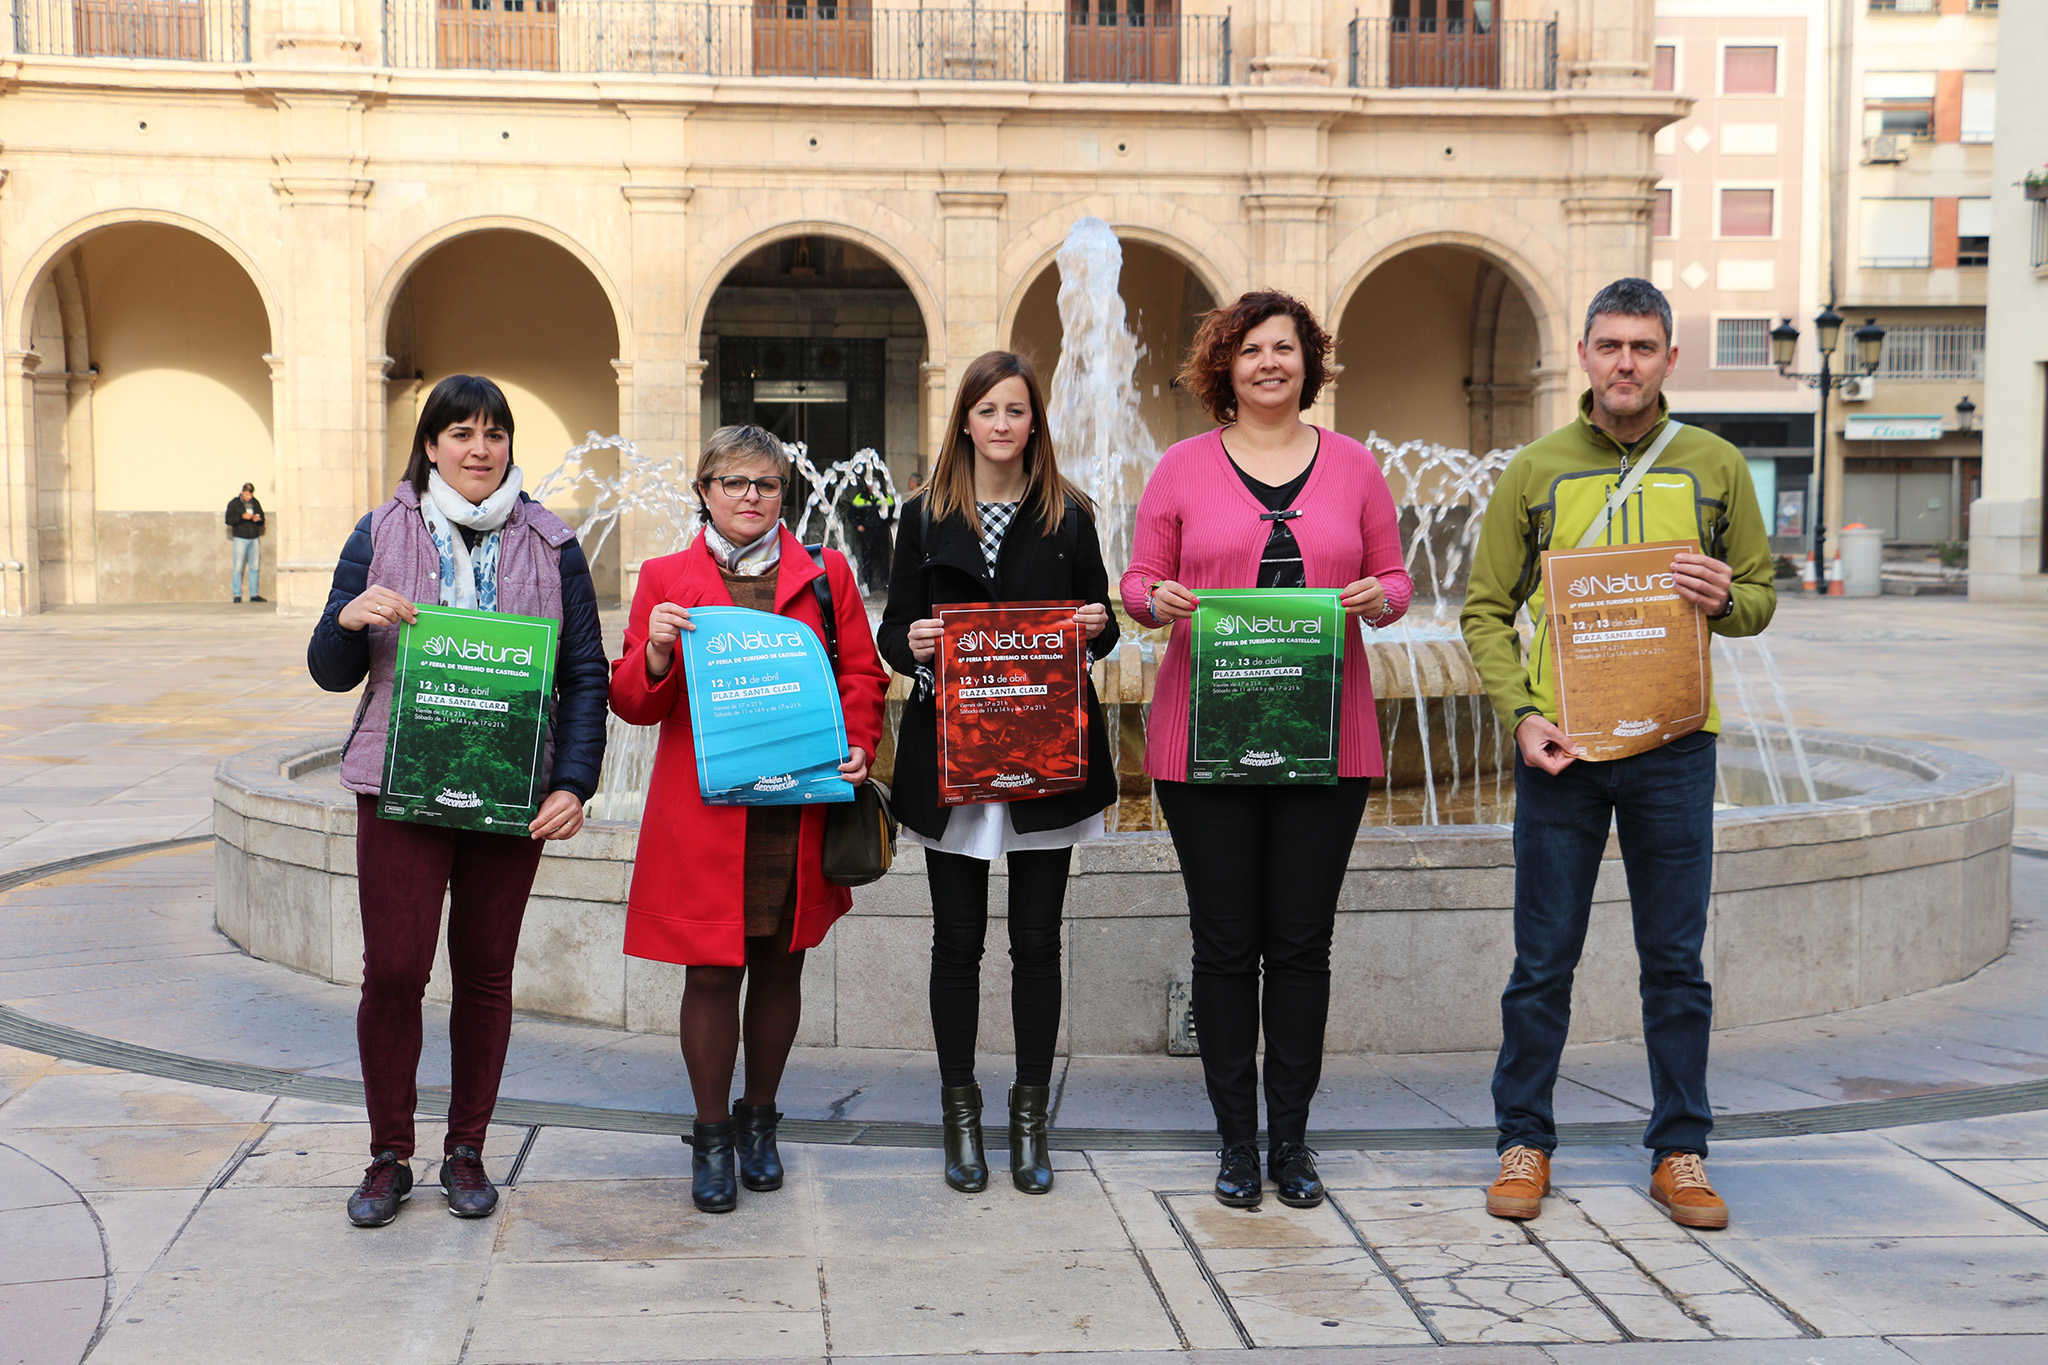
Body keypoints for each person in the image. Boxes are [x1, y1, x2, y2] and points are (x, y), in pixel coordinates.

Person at [1460, 277, 1776, 1231]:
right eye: (1609, 346)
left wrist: (1726, 596)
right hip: (1563, 750)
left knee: (1675, 961)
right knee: (1540, 961)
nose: (1625, 363)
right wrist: (1521, 715)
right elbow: (1484, 609)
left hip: (1676, 748)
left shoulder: (1716, 465)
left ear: (1669, 358)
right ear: (1587, 355)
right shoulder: (1536, 467)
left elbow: (1760, 598)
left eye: (1643, 347)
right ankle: (1524, 1139)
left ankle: (1681, 1149)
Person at [1121, 291, 1412, 1210]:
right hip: (1205, 739)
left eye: (1285, 348)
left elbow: (1399, 578)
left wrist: (1380, 598)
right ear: (1225, 367)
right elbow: (1135, 579)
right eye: (1251, 350)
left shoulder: (1357, 466)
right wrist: (1152, 599)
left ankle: (1291, 1139)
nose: (1269, 363)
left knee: (1300, 943)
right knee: (1224, 942)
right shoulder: (1180, 467)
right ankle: (1235, 1141)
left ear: (1310, 362)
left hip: (1324, 741)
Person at [307, 374, 608, 1228]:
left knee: (483, 973)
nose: (480, 448)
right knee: (395, 971)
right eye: (461, 432)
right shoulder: (378, 532)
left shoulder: (554, 544)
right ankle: (387, 1155)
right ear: (431, 445)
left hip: (512, 793)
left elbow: (587, 676)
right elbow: (331, 672)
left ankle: (467, 1148)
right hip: (401, 787)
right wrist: (347, 620)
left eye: (495, 433)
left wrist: (573, 781)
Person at [611, 424, 887, 1215]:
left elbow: (861, 674)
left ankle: (759, 1120)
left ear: (783, 494)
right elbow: (632, 701)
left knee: (781, 964)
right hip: (708, 814)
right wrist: (657, 652)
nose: (750, 497)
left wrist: (860, 742)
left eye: (765, 484)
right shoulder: (666, 578)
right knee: (709, 970)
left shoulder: (826, 574)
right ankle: (710, 1135)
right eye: (733, 482)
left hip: (794, 808)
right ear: (704, 489)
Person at [878, 350, 1119, 1196]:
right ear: (966, 422)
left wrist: (1096, 623)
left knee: (1038, 941)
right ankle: (959, 1112)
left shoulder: (1069, 515)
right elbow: (893, 625)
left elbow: (1104, 622)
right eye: (989, 410)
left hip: (1045, 752)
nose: (1003, 424)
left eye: (1017, 410)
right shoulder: (922, 515)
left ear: (1033, 421)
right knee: (956, 940)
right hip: (954, 756)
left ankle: (1028, 1118)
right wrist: (907, 643)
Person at [226, 482, 266, 602]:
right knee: (238, 567)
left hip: (254, 538)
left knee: (255, 566)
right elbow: (228, 520)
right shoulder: (234, 503)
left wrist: (257, 519)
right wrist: (242, 517)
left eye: (251, 493)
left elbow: (262, 518)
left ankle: (254, 594)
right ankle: (237, 594)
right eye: (247, 493)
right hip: (240, 538)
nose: (249, 496)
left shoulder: (255, 502)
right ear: (243, 492)